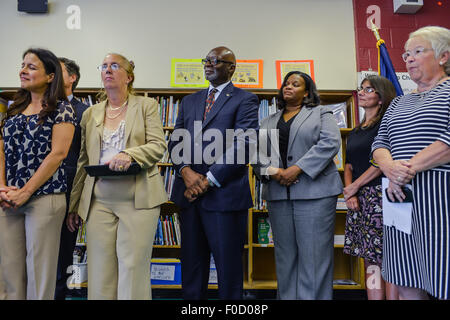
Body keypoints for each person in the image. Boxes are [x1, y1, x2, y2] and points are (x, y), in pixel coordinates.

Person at [67, 53, 167, 300]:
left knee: (132, 267)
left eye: (114, 66)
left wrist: (129, 154)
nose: (107, 70)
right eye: (104, 66)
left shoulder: (146, 106)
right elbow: (83, 161)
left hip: (138, 198)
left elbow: (158, 145)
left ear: (129, 76)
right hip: (99, 200)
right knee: (100, 269)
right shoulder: (90, 113)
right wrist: (75, 205)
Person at [168, 46, 259, 300]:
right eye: (206, 60)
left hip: (224, 196)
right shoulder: (190, 101)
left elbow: (244, 144)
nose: (208, 64)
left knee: (228, 271)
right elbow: (176, 140)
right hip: (189, 196)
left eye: (216, 61)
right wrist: (185, 171)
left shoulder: (245, 100)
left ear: (231, 68)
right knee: (192, 268)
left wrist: (208, 180)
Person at [372, 26, 450, 300]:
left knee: (442, 275)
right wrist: (390, 169)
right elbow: (379, 144)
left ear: (443, 56)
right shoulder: (397, 104)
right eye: (406, 54)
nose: (409, 59)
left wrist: (407, 169)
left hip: (440, 201)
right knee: (406, 276)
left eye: (418, 51)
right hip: (400, 201)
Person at [253, 71, 342, 300]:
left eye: (295, 84)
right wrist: (276, 173)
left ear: (306, 92)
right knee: (285, 257)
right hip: (279, 195)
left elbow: (329, 143)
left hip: (315, 194)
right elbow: (258, 157)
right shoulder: (267, 121)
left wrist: (297, 168)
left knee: (314, 258)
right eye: (286, 83)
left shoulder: (321, 113)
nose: (288, 87)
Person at [0, 48, 76, 300]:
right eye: (22, 65)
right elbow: (1, 149)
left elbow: (58, 154)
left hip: (44, 197)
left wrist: (26, 191)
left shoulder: (62, 109)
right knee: (9, 273)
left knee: (39, 274)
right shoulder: (12, 108)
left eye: (31, 67)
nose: (23, 71)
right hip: (8, 198)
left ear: (51, 76)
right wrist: (2, 187)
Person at [342, 75, 398, 300]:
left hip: (380, 197)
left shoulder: (386, 126)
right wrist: (350, 193)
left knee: (387, 257)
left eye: (369, 90)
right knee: (369, 257)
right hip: (359, 199)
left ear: (381, 97)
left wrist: (354, 186)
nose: (362, 93)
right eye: (361, 89)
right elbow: (348, 165)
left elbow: (380, 164)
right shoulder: (356, 131)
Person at [54, 57, 89, 300]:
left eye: (58, 70)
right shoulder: (39, 106)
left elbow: (85, 157)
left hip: (69, 191)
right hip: (36, 192)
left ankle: (59, 295)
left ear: (72, 78)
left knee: (64, 251)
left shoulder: (84, 112)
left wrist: (77, 203)